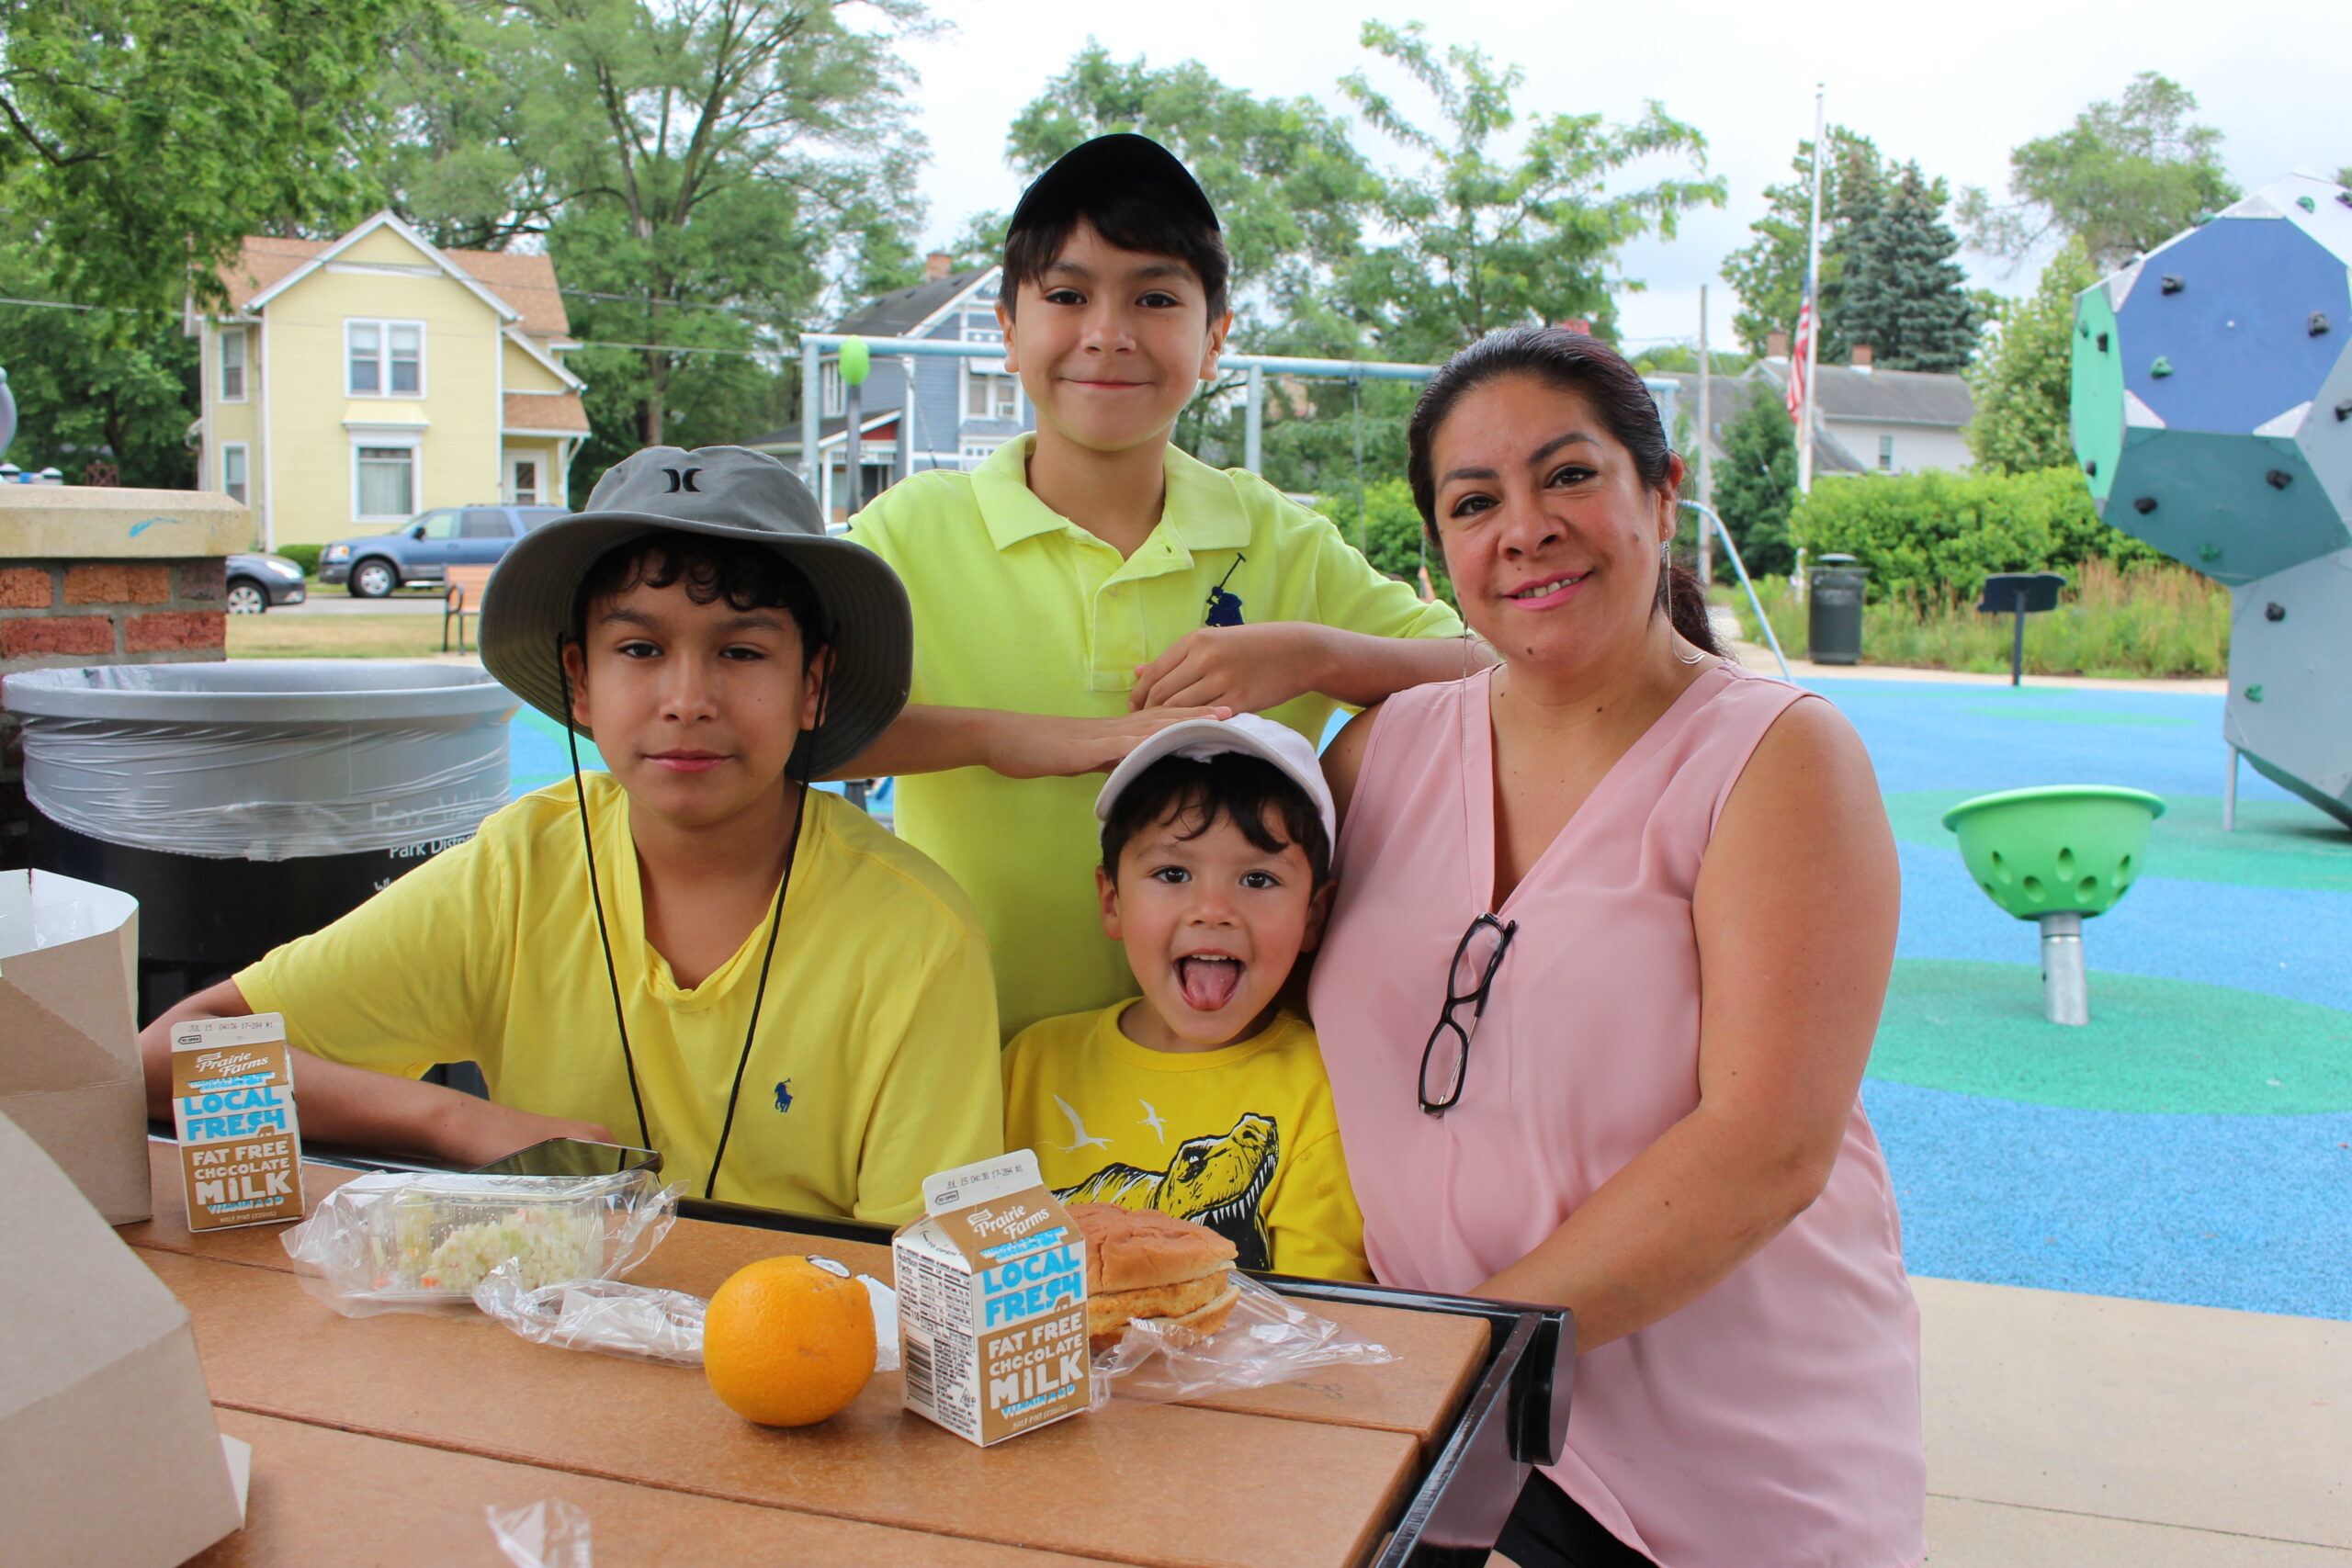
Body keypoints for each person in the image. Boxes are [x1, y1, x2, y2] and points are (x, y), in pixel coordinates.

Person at [1309, 329, 1923, 1567]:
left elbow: (1766, 1148)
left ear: (1661, 489)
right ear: (1442, 551)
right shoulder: (1376, 756)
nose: (1524, 526)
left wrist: (1464, 1352)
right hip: (1433, 1436)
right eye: (1475, 501)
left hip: (1714, 1466)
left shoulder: (1778, 760)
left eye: (1569, 475)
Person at [139, 446, 1003, 1223]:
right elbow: (175, 1053)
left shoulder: (917, 937)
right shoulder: (518, 873)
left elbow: (921, 1269)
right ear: (578, 682)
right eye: (639, 649)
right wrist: (456, 1118)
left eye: (741, 653)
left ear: (812, 685)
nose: (687, 698)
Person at [839, 133, 1485, 1038]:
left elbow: (1495, 665)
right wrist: (1008, 738)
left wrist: (1314, 654)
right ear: (1007, 332)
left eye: (1154, 298)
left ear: (1214, 338)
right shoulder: (907, 535)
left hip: (1229, 1111)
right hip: (973, 1070)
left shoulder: (1278, 539)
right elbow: (776, 732)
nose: (1108, 332)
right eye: (1067, 296)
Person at [1002, 715, 1369, 1280]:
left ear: (1313, 914)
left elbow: (1315, 1314)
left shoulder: (1327, 1089)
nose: (1212, 909)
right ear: (1112, 901)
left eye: (1258, 880)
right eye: (1173, 873)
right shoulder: (1030, 1063)